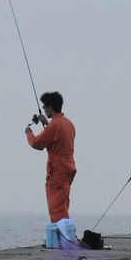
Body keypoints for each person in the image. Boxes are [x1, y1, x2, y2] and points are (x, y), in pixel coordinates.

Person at [25, 92, 77, 222]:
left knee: (56, 207)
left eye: (44, 107)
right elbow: (58, 137)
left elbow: (37, 144)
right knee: (63, 204)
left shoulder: (54, 125)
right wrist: (47, 123)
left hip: (57, 172)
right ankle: (65, 236)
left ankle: (61, 239)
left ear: (50, 108)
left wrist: (29, 133)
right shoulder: (68, 124)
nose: (43, 109)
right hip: (68, 170)